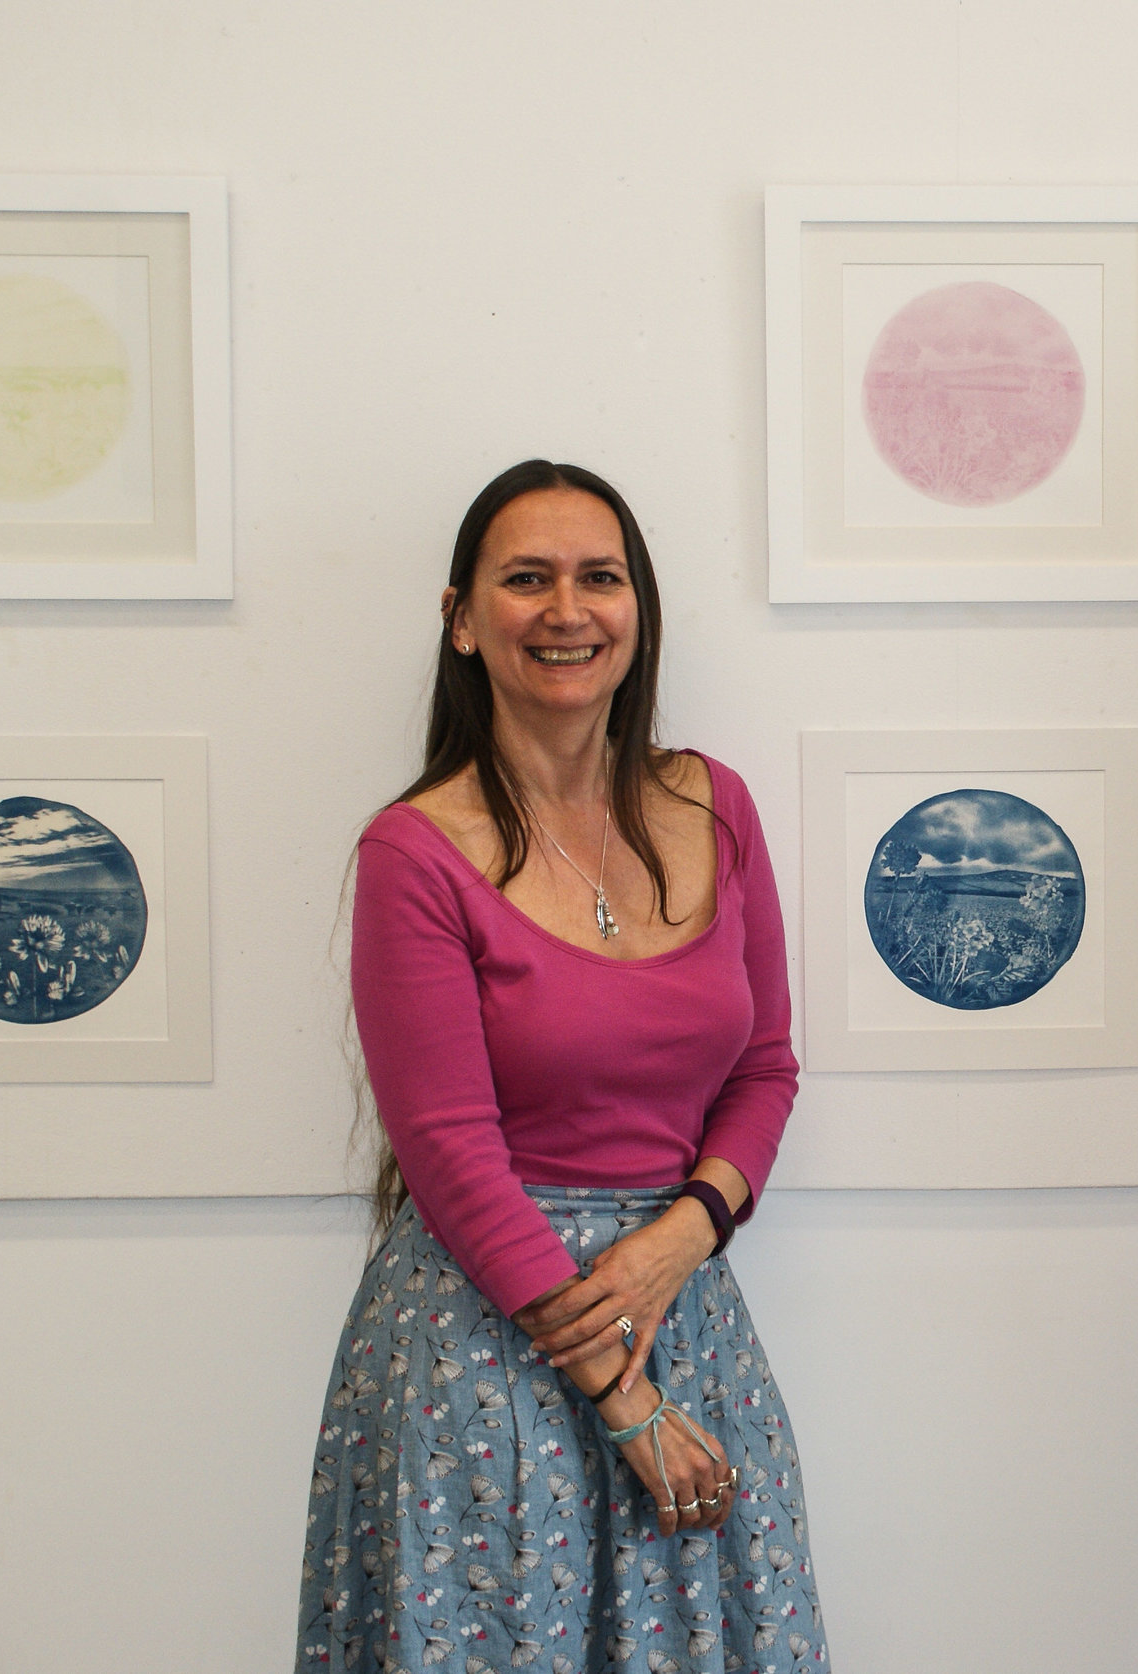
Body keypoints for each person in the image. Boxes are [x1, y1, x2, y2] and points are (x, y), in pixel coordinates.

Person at [299, 461, 828, 1674]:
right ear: (462, 618)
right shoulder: (416, 852)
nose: (566, 610)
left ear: (639, 612)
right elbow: (446, 1153)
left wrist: (682, 1235)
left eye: (600, 578)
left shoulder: (715, 804)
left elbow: (765, 1070)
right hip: (483, 1350)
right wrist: (622, 1398)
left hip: (684, 1316)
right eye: (524, 579)